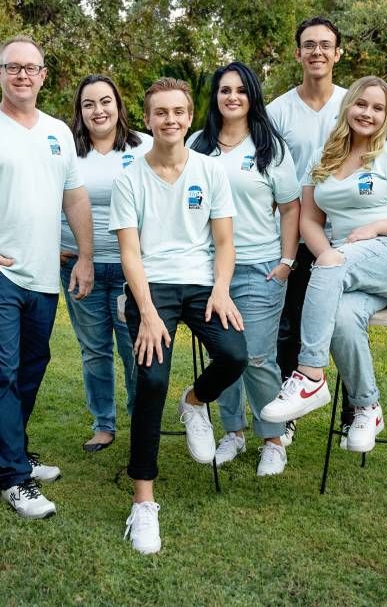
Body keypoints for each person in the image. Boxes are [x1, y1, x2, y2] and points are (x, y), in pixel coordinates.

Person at [0, 36, 95, 519]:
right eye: (14, 68)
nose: (23, 75)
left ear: (44, 75)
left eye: (32, 68)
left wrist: (86, 256)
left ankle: (9, 449)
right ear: (0, 72)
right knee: (1, 372)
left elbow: (74, 198)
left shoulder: (58, 133)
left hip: (44, 276)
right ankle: (13, 477)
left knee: (32, 365)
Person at [262, 76, 387, 459]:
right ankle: (366, 407)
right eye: (362, 104)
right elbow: (309, 219)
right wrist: (327, 252)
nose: (368, 113)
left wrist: (375, 227)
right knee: (342, 319)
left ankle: (309, 375)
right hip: (349, 263)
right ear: (348, 108)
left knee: (331, 266)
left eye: (378, 108)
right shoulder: (324, 157)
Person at [111, 77, 248, 554]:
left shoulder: (210, 171)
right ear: (147, 120)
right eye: (160, 113)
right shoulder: (129, 177)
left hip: (203, 282)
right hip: (153, 286)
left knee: (234, 355)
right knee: (149, 382)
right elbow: (130, 254)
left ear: (190, 117)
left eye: (178, 112)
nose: (170, 120)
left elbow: (225, 242)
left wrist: (223, 290)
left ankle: (193, 401)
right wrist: (145, 311)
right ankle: (144, 502)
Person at [189, 62, 299, 476]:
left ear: (252, 95)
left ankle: (273, 437)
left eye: (240, 90)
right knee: (226, 354)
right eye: (223, 90)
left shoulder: (271, 147)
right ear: (215, 97)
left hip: (260, 267)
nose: (231, 97)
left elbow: (290, 207)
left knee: (255, 355)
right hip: (210, 270)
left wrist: (287, 261)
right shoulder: (198, 147)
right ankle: (232, 432)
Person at [267, 16, 351, 439]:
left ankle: (355, 409)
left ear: (338, 53)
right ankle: (289, 415)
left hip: (348, 233)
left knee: (345, 323)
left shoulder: (353, 104)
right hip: (296, 235)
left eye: (325, 45)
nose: (317, 51)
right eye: (309, 45)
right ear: (297, 53)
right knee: (290, 326)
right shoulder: (277, 112)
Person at [60, 75, 152, 452]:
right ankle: (103, 424)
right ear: (79, 113)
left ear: (119, 105)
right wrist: (51, 246)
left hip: (132, 267)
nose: (98, 111)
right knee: (94, 349)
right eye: (88, 104)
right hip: (81, 267)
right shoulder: (67, 150)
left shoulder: (145, 146)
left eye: (105, 102)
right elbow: (43, 198)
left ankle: (140, 420)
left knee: (135, 347)